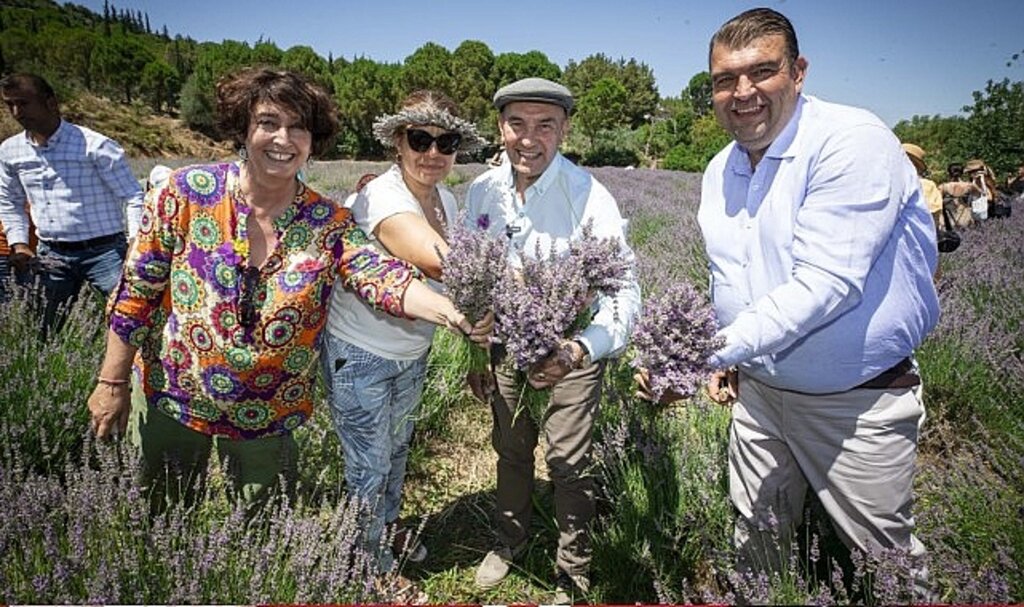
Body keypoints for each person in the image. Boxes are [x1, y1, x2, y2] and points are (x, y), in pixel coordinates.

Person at [85, 68, 476, 518]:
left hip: (267, 410)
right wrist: (112, 382)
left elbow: (379, 274)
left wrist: (450, 312)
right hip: (173, 393)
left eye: (298, 127)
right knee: (161, 514)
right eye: (268, 123)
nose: (283, 139)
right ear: (243, 128)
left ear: (313, 140)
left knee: (264, 524)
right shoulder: (185, 193)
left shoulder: (327, 222)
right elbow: (137, 293)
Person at [697, 8, 939, 600]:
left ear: (798, 71)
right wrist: (728, 352)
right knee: (756, 544)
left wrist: (703, 351)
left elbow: (827, 282)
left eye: (762, 71)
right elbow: (730, 273)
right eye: (725, 79)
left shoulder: (851, 141)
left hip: (853, 405)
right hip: (758, 398)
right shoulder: (719, 168)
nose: (743, 92)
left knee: (886, 567)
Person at [464, 77, 641, 603]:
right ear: (500, 128)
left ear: (564, 130)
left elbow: (624, 292)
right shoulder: (482, 191)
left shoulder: (588, 196)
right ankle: (509, 540)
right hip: (505, 346)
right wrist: (475, 350)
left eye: (545, 125)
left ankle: (573, 571)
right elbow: (472, 276)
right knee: (510, 448)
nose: (528, 138)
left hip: (571, 345)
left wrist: (577, 350)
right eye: (516, 123)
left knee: (568, 462)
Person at [320, 90, 488, 574]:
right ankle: (367, 563)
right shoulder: (380, 196)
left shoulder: (447, 200)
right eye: (420, 140)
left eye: (446, 142)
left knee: (396, 449)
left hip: (411, 351)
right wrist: (527, 285)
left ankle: (387, 526)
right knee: (368, 464)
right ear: (398, 141)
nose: (433, 153)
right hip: (361, 352)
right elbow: (442, 262)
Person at [0, 72, 144, 330]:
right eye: (10, 104)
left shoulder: (95, 146)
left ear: (50, 102)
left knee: (131, 319)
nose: (16, 112)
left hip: (105, 253)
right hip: (51, 253)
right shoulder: (11, 151)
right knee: (43, 328)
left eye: (23, 103)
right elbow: (9, 201)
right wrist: (19, 243)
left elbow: (133, 195)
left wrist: (136, 242)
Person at [939, 162, 978, 228]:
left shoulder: (943, 187)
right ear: (962, 173)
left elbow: (938, 203)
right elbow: (980, 195)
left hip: (949, 219)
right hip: (966, 218)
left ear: (949, 173)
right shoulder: (969, 186)